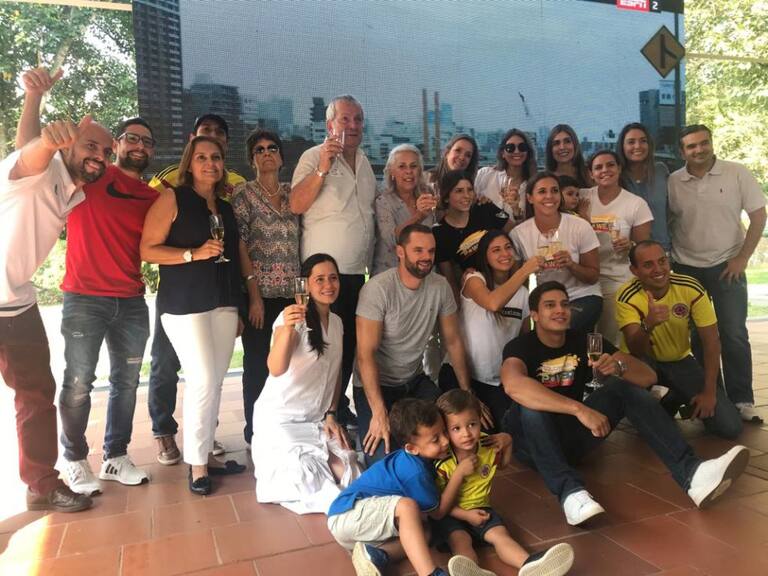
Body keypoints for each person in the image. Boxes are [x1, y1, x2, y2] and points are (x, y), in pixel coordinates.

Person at [501, 281, 750, 525]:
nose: (560, 310)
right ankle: (571, 494)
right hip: (532, 445)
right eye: (550, 305)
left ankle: (693, 473)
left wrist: (618, 368)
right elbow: (514, 385)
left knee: (622, 388)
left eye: (565, 304)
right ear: (535, 314)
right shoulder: (520, 347)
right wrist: (579, 409)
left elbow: (648, 376)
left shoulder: (587, 341)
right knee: (530, 407)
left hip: (571, 440)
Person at [0, 110, 113, 512]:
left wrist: (33, 97)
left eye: (107, 152)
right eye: (90, 146)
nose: (100, 156)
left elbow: (25, 149)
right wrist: (48, 140)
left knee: (36, 395)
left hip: (17, 302)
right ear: (67, 146)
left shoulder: (70, 188)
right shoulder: (38, 170)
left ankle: (42, 486)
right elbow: (29, 155)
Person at [57, 117, 159, 496]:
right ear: (116, 144)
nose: (139, 146)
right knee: (79, 382)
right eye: (132, 138)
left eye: (147, 141)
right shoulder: (89, 177)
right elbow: (56, 158)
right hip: (84, 297)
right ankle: (74, 458)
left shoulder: (152, 198)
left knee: (127, 382)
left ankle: (115, 456)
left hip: (131, 301)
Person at [140, 136, 248, 495]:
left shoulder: (226, 208)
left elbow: (233, 260)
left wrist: (239, 307)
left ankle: (205, 454)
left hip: (223, 302)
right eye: (201, 157)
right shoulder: (173, 198)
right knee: (201, 380)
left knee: (215, 382)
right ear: (189, 162)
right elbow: (147, 250)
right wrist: (192, 254)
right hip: (184, 305)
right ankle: (197, 465)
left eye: (216, 157)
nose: (210, 163)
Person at [354, 224, 491, 464]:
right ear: (400, 252)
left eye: (431, 251)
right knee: (385, 460)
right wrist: (378, 412)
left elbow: (453, 341)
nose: (426, 257)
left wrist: (467, 395)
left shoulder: (440, 286)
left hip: (415, 381)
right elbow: (366, 355)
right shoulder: (377, 289)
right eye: (418, 250)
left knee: (455, 436)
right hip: (377, 386)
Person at [669, 124, 767, 424]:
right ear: (682, 151)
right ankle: (715, 397)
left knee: (733, 333)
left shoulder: (736, 173)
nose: (699, 150)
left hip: (727, 266)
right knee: (699, 336)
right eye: (691, 146)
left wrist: (742, 258)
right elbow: (668, 221)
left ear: (711, 143)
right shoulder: (673, 181)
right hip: (686, 267)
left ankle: (742, 399)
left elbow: (759, 215)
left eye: (704, 143)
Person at [252, 253, 361, 514]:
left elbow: (335, 373)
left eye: (333, 278)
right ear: (305, 285)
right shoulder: (291, 319)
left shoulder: (337, 323)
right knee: (311, 479)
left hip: (315, 419)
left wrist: (331, 414)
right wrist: (288, 329)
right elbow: (276, 369)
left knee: (348, 468)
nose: (328, 285)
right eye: (319, 279)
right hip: (282, 419)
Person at [291, 95, 377, 427]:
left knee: (347, 345)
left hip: (355, 273)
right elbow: (296, 204)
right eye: (345, 119)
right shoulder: (313, 156)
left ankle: (337, 409)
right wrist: (322, 169)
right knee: (319, 347)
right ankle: (315, 414)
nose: (352, 125)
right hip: (323, 275)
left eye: (358, 119)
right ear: (330, 125)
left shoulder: (366, 163)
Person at [327, 398, 483, 576]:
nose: (445, 441)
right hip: (347, 514)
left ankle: (376, 555)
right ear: (412, 448)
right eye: (435, 439)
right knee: (408, 507)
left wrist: (502, 438)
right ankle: (430, 573)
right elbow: (438, 512)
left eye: (444, 432)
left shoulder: (420, 457)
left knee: (424, 532)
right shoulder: (415, 471)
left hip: (362, 524)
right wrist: (458, 474)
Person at [434, 389, 575, 576]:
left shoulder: (487, 445)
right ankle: (470, 571)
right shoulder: (442, 461)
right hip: (452, 514)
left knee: (501, 535)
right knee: (460, 540)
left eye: (472, 424)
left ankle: (530, 565)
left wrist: (508, 441)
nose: (466, 433)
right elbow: (438, 505)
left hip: (482, 510)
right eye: (456, 429)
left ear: (480, 420)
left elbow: (502, 465)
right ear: (445, 431)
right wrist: (465, 513)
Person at [616, 241, 743, 439]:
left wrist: (709, 392)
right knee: (650, 425)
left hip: (680, 361)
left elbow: (711, 342)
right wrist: (648, 324)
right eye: (648, 265)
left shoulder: (690, 287)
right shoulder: (626, 296)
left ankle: (672, 397)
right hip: (644, 364)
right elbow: (636, 349)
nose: (658, 269)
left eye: (662, 261)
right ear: (634, 270)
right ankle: (667, 399)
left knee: (729, 426)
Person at [231, 129, 300, 445]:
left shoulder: (292, 195)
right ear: (252, 159)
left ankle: (286, 424)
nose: (267, 153)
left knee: (292, 362)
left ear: (282, 157)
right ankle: (256, 431)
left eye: (272, 148)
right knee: (258, 365)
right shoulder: (243, 194)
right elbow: (240, 245)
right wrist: (254, 297)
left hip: (292, 295)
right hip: (260, 296)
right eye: (259, 150)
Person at [439, 229, 538, 427]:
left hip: (497, 382)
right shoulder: (475, 279)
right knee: (468, 430)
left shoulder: (522, 293)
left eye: (508, 247)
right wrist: (524, 271)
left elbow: (524, 339)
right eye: (496, 250)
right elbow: (493, 303)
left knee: (505, 431)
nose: (505, 254)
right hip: (461, 377)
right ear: (485, 256)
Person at [509, 172, 602, 332]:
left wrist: (572, 265)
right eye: (542, 191)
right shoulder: (519, 234)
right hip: (547, 301)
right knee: (543, 333)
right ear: (530, 198)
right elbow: (517, 282)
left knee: (557, 329)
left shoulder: (580, 226)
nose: (549, 196)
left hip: (582, 295)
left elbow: (593, 277)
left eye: (554, 191)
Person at [582, 150, 652, 345]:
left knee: (608, 340)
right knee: (580, 336)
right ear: (591, 174)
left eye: (610, 165)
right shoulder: (582, 197)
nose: (605, 170)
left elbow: (643, 249)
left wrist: (630, 245)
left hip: (618, 279)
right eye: (598, 167)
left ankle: (609, 365)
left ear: (620, 168)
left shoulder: (636, 204)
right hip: (584, 278)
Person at [432, 170, 511, 302]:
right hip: (473, 292)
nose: (466, 195)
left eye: (470, 190)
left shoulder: (485, 208)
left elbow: (514, 233)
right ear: (446, 197)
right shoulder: (439, 232)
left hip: (504, 282)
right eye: (459, 191)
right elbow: (450, 278)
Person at [372, 144, 436, 276]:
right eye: (402, 166)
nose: (409, 171)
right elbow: (392, 240)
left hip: (423, 274)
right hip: (390, 275)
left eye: (413, 166)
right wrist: (419, 216)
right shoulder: (383, 200)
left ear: (420, 171)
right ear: (392, 172)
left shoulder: (427, 196)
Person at [617, 122, 671, 250]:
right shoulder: (616, 177)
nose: (638, 146)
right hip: (627, 252)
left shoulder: (660, 171)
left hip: (662, 250)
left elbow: (671, 212)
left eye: (643, 141)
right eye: (631, 142)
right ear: (622, 146)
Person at [474, 129, 537, 221]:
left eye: (522, 147)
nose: (516, 151)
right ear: (502, 153)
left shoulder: (533, 185)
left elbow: (530, 223)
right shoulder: (485, 174)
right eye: (510, 148)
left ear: (528, 153)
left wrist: (516, 210)